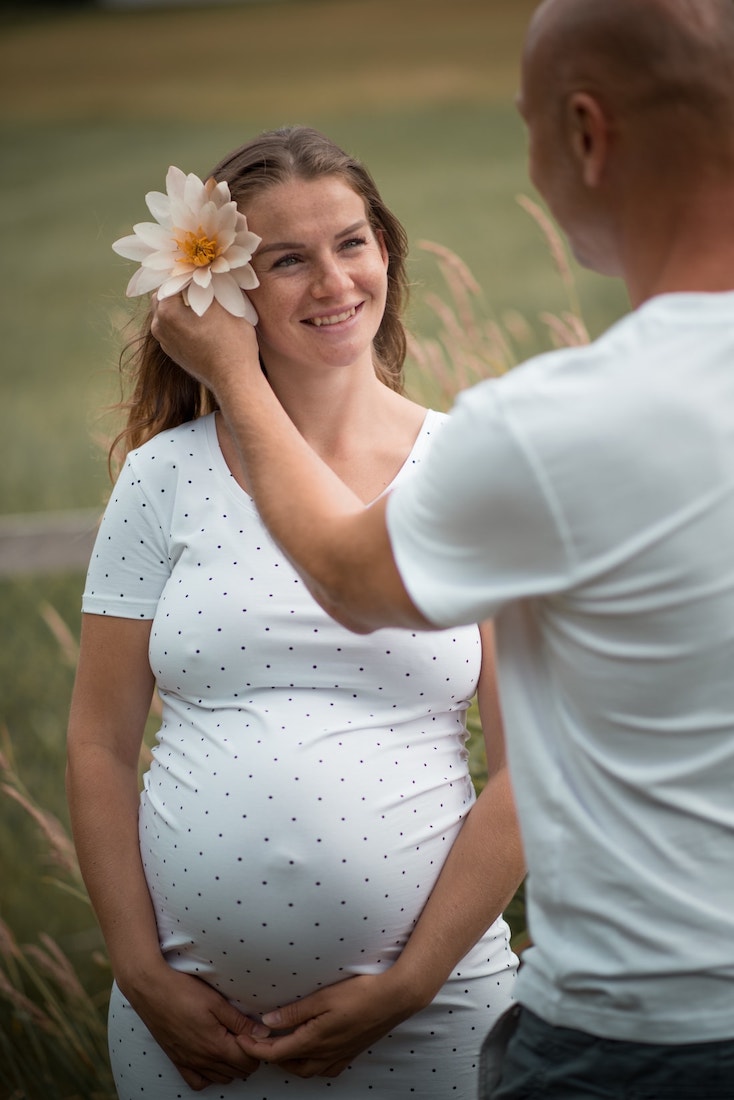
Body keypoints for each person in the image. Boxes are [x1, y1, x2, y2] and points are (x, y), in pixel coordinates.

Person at [148, 1, 734, 1098]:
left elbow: (347, 573)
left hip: (637, 1031)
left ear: (584, 133)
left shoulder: (557, 427)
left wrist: (231, 377)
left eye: (524, 128)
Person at [66, 125, 524, 1099]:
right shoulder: (161, 480)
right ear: (224, 290)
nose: (332, 280)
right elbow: (98, 743)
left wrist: (407, 982)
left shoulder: (472, 469)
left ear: (387, 250)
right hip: (190, 1028)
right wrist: (142, 972)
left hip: (431, 1014)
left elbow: (533, 767)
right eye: (286, 259)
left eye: (350, 241)